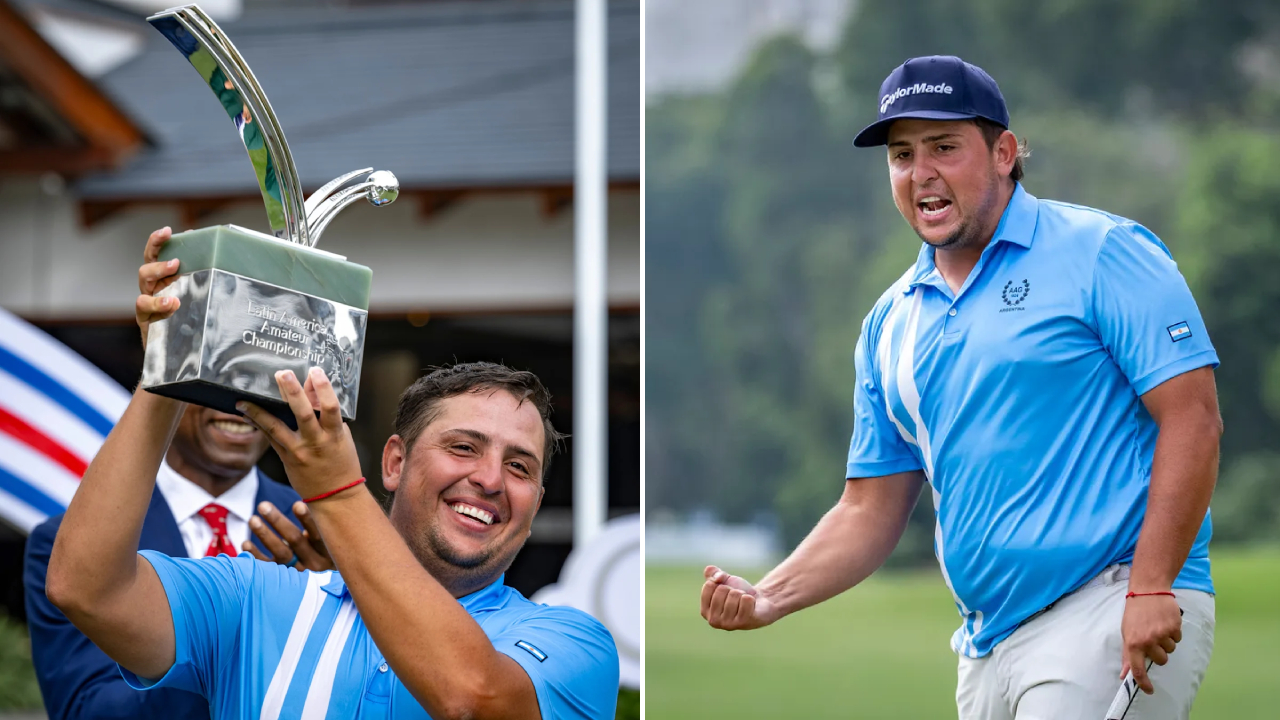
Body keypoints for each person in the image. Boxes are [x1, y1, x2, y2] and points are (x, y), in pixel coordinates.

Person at [699, 55, 1220, 720]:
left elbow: (1193, 418)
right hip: (984, 646)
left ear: (1004, 152)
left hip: (1110, 606)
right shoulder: (890, 323)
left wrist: (1150, 588)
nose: (922, 174)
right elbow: (870, 508)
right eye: (902, 155)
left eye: (945, 147)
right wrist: (770, 596)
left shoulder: (1103, 251)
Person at [43, 229, 620, 719]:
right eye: (464, 447)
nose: (491, 479)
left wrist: (337, 492)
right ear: (394, 462)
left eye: (519, 466)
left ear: (538, 498)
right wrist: (168, 373)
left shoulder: (574, 642)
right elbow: (86, 588)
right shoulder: (256, 594)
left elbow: (472, 698)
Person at [23, 230, 313, 720]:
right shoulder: (67, 549)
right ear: (181, 386)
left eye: (260, 381)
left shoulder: (321, 534)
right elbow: (88, 711)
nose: (240, 406)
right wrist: (239, 630)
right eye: (219, 379)